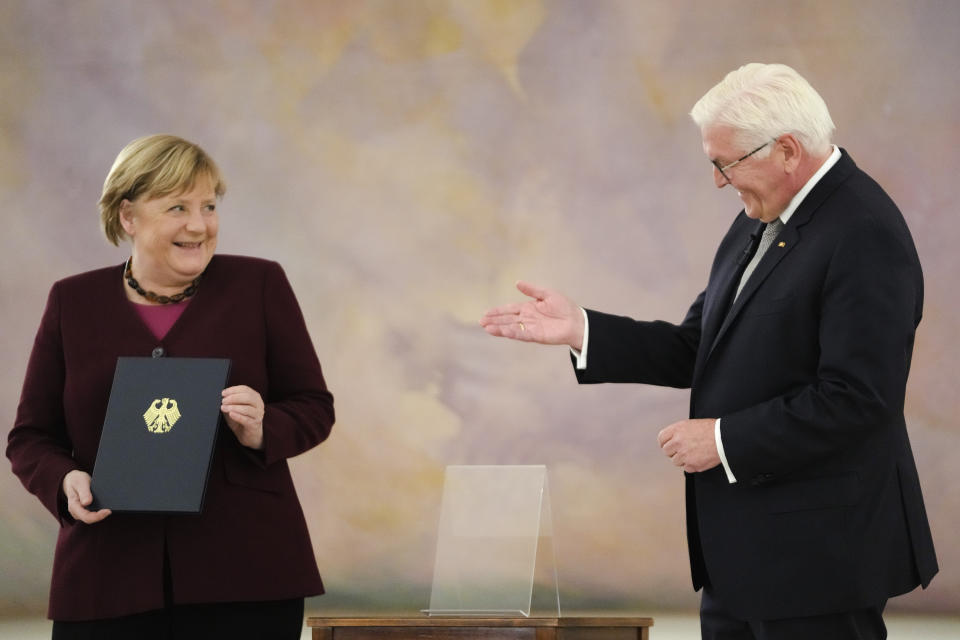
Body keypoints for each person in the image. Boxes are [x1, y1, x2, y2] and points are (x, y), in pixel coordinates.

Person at [480, 63, 938, 639]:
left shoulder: (864, 232)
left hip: (819, 564)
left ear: (788, 151)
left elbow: (857, 399)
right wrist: (582, 330)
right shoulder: (764, 217)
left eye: (725, 163)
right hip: (743, 562)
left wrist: (721, 440)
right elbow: (702, 345)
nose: (719, 181)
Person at [7, 134, 335, 639]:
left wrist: (263, 427)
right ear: (128, 216)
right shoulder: (72, 302)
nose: (199, 224)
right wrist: (63, 480)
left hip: (249, 576)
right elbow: (30, 438)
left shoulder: (261, 286)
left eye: (208, 205)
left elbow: (314, 407)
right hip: (105, 579)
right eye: (177, 206)